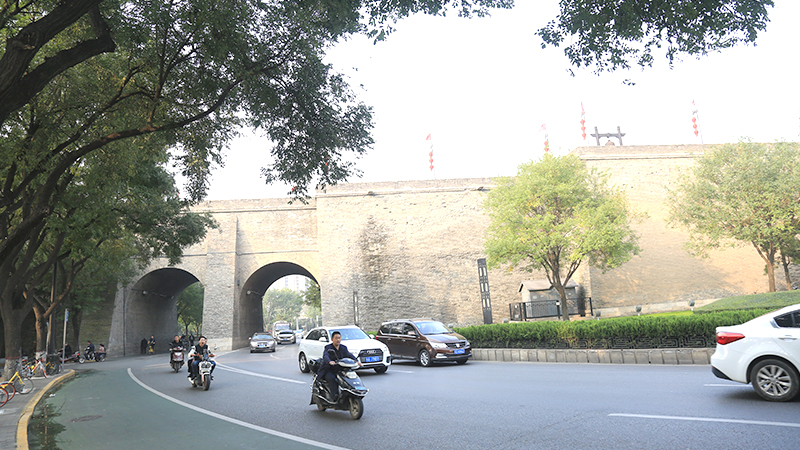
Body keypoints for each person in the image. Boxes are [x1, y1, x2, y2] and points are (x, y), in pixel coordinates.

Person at [317, 331, 361, 402]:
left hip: (340, 369)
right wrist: (330, 361)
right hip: (330, 369)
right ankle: (334, 396)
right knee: (332, 378)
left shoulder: (343, 348)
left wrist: (356, 361)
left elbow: (349, 355)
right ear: (332, 339)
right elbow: (325, 355)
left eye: (339, 338)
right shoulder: (328, 347)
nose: (338, 340)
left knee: (348, 378)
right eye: (336, 338)